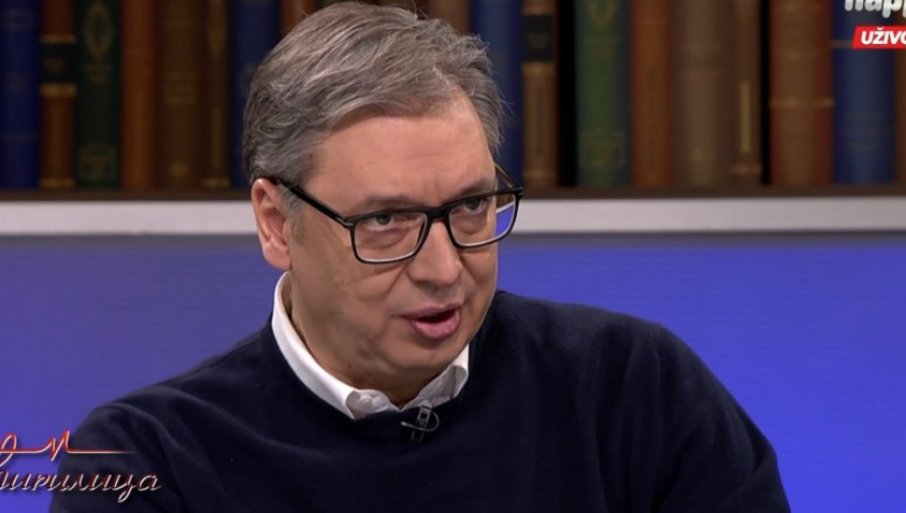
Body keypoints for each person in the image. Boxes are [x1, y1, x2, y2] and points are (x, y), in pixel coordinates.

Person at [51, 2, 790, 511]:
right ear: (277, 224)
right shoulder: (148, 461)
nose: (443, 269)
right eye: (385, 221)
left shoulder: (635, 392)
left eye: (471, 206)